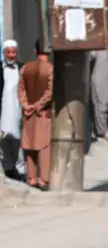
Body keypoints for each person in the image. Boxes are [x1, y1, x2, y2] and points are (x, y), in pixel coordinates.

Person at [19, 41, 53, 190]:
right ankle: (44, 179)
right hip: (42, 113)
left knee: (29, 145)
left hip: (28, 114)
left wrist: (26, 105)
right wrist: (38, 106)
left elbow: (20, 90)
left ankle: (31, 178)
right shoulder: (50, 69)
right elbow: (50, 92)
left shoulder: (25, 68)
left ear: (35, 51)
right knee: (44, 146)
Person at [0, 39, 25, 181]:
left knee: (18, 140)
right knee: (2, 140)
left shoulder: (22, 69)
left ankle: (20, 169)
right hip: (2, 114)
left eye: (13, 52)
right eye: (8, 52)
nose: (11, 55)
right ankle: (8, 168)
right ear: (3, 53)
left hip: (17, 112)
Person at [89, 29, 108, 143]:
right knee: (100, 107)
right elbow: (90, 55)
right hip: (100, 84)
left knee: (107, 106)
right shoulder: (97, 51)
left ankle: (103, 130)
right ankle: (102, 131)